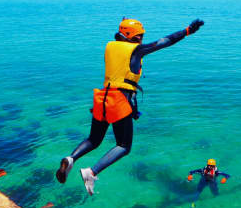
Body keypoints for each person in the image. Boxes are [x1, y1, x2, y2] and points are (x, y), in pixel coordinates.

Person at [57, 17, 204, 195]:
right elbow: (166, 41)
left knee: (93, 140)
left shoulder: (109, 46)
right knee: (124, 146)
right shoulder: (137, 50)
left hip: (102, 99)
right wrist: (187, 31)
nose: (142, 39)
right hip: (119, 101)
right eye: (140, 36)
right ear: (133, 36)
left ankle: (71, 158)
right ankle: (91, 172)